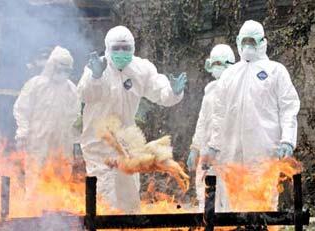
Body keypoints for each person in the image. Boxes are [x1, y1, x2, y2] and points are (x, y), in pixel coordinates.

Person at [77, 25, 187, 213]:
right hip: (98, 143)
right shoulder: (97, 66)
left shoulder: (141, 69)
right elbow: (85, 94)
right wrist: (95, 76)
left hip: (127, 142)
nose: (121, 52)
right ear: (107, 48)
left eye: (126, 48)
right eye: (116, 48)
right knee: (105, 196)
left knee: (129, 197)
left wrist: (174, 91)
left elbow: (160, 91)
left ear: (133, 48)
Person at [203, 20, 300, 210]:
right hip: (230, 154)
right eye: (244, 41)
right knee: (231, 209)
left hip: (263, 153)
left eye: (252, 41)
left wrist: (287, 140)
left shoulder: (275, 71)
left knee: (261, 207)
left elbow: (288, 106)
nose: (247, 46)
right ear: (238, 42)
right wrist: (213, 146)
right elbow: (219, 115)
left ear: (262, 42)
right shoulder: (229, 75)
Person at [186, 44, 235, 212]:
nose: (216, 68)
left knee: (228, 200)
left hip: (227, 154)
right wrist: (195, 148)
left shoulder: (235, 91)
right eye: (213, 64)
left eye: (219, 64)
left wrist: (215, 148)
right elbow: (203, 121)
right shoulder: (210, 90)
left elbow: (224, 125)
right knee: (205, 199)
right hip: (207, 154)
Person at [13, 46, 79, 166]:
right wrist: (22, 133)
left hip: (62, 147)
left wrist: (76, 141)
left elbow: (75, 119)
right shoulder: (35, 85)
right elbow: (22, 110)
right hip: (37, 144)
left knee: (60, 182)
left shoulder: (71, 90)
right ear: (51, 66)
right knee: (35, 180)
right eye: (59, 69)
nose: (62, 73)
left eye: (67, 70)